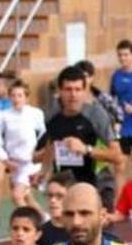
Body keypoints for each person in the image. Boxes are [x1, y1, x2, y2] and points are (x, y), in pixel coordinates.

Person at [37, 66, 123, 211]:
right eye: (68, 89)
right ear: (59, 91)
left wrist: (86, 149)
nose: (73, 95)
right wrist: (44, 171)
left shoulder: (96, 114)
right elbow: (52, 143)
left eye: (78, 89)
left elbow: (117, 156)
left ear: (85, 91)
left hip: (97, 186)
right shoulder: (51, 114)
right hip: (67, 188)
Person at [0, 79, 46, 223]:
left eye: (20, 95)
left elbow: (44, 134)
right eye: (13, 95)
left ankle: (32, 224)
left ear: (26, 97)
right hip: (15, 164)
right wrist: (6, 161)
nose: (16, 99)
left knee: (17, 196)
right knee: (28, 199)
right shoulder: (3, 116)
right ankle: (45, 220)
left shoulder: (35, 113)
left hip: (30, 163)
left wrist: (39, 153)